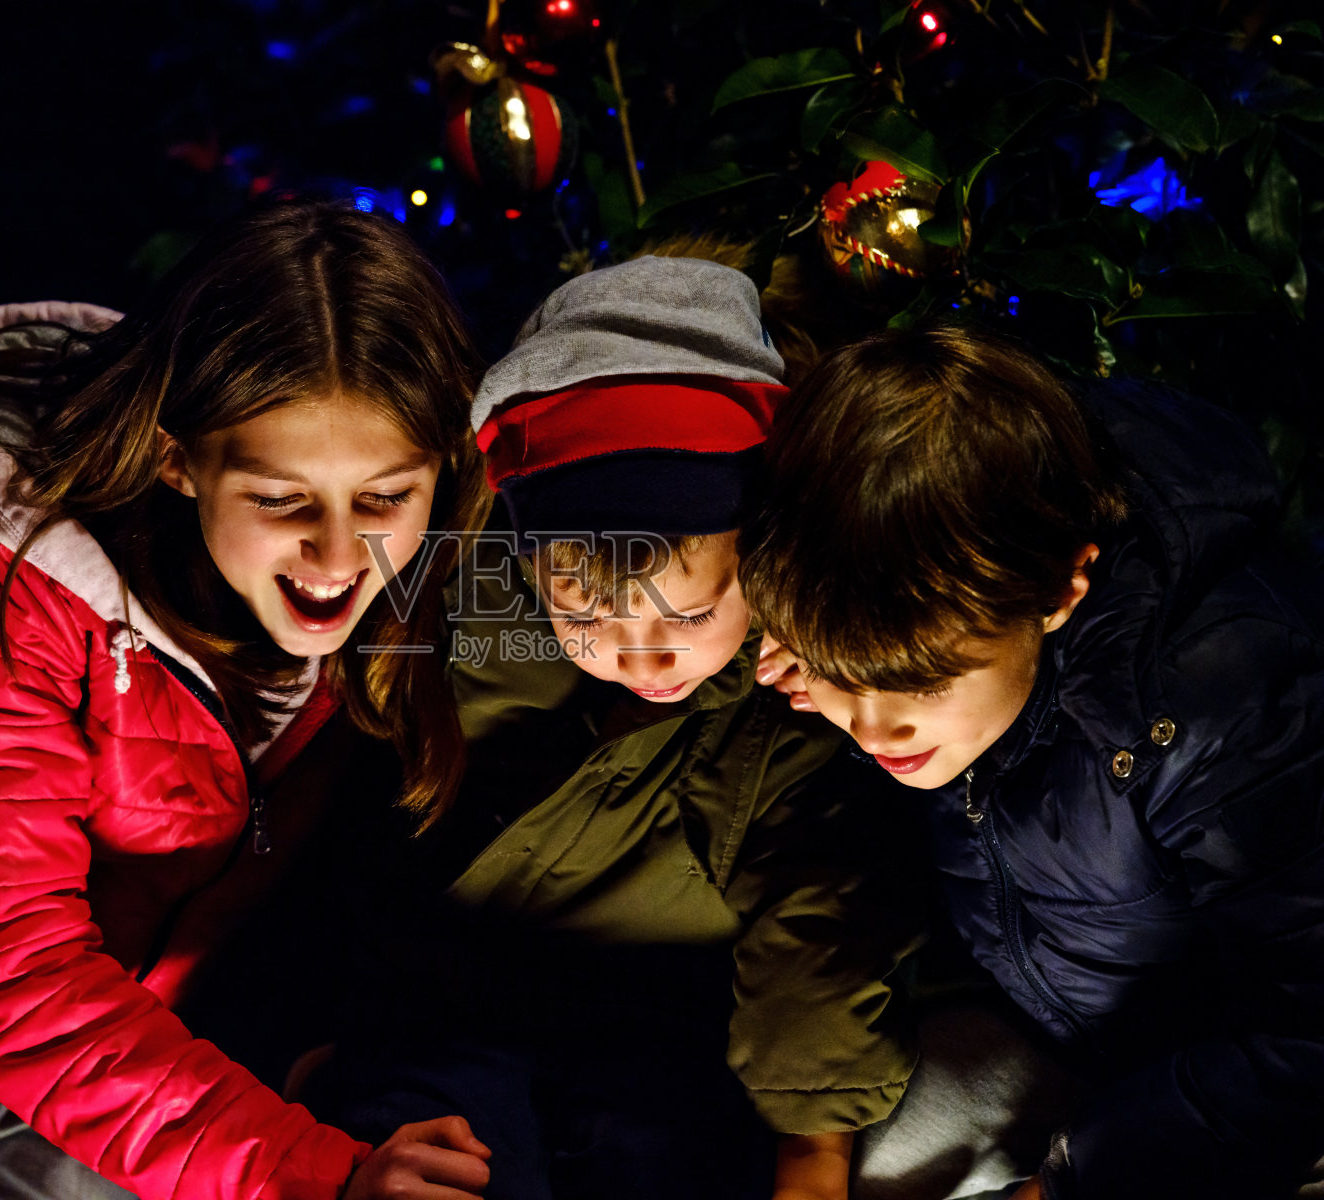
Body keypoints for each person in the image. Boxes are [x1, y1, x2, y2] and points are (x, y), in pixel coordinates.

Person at [0, 199, 496, 1200]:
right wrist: (316, 1174)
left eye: (385, 498)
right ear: (179, 458)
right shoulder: (5, 579)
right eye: (280, 499)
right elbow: (7, 970)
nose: (339, 553)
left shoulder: (405, 604)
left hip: (79, 1042)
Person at [303, 256, 924, 1200]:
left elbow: (817, 914)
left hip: (660, 1031)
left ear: (756, 564)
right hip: (438, 1012)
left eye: (685, 618)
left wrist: (812, 1151)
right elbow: (343, 822)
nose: (643, 657)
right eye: (588, 620)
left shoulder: (795, 699)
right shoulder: (450, 623)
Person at [742, 324, 1324, 1199]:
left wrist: (1072, 1183)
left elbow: (1309, 1033)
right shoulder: (883, 615)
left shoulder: (1219, 705)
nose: (872, 728)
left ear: (1059, 589)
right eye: (831, 675)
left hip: (1247, 1101)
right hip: (1057, 1038)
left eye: (921, 683)